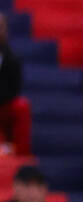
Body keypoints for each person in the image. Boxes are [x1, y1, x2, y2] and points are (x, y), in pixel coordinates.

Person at [0, 14, 31, 155]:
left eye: (1, 27)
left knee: (22, 106)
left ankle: (19, 153)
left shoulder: (13, 58)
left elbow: (15, 89)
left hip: (4, 103)